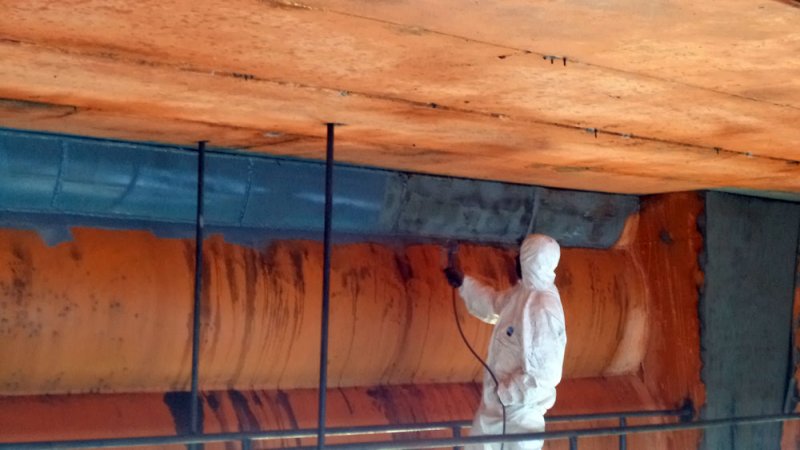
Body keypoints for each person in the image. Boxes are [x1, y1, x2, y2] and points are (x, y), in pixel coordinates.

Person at [444, 234, 567, 450]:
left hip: (520, 416)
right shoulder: (522, 295)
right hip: (496, 410)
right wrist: (464, 284)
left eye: (520, 255)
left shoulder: (542, 307)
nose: (515, 259)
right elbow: (493, 305)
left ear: (530, 259)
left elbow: (546, 374)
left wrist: (506, 393)